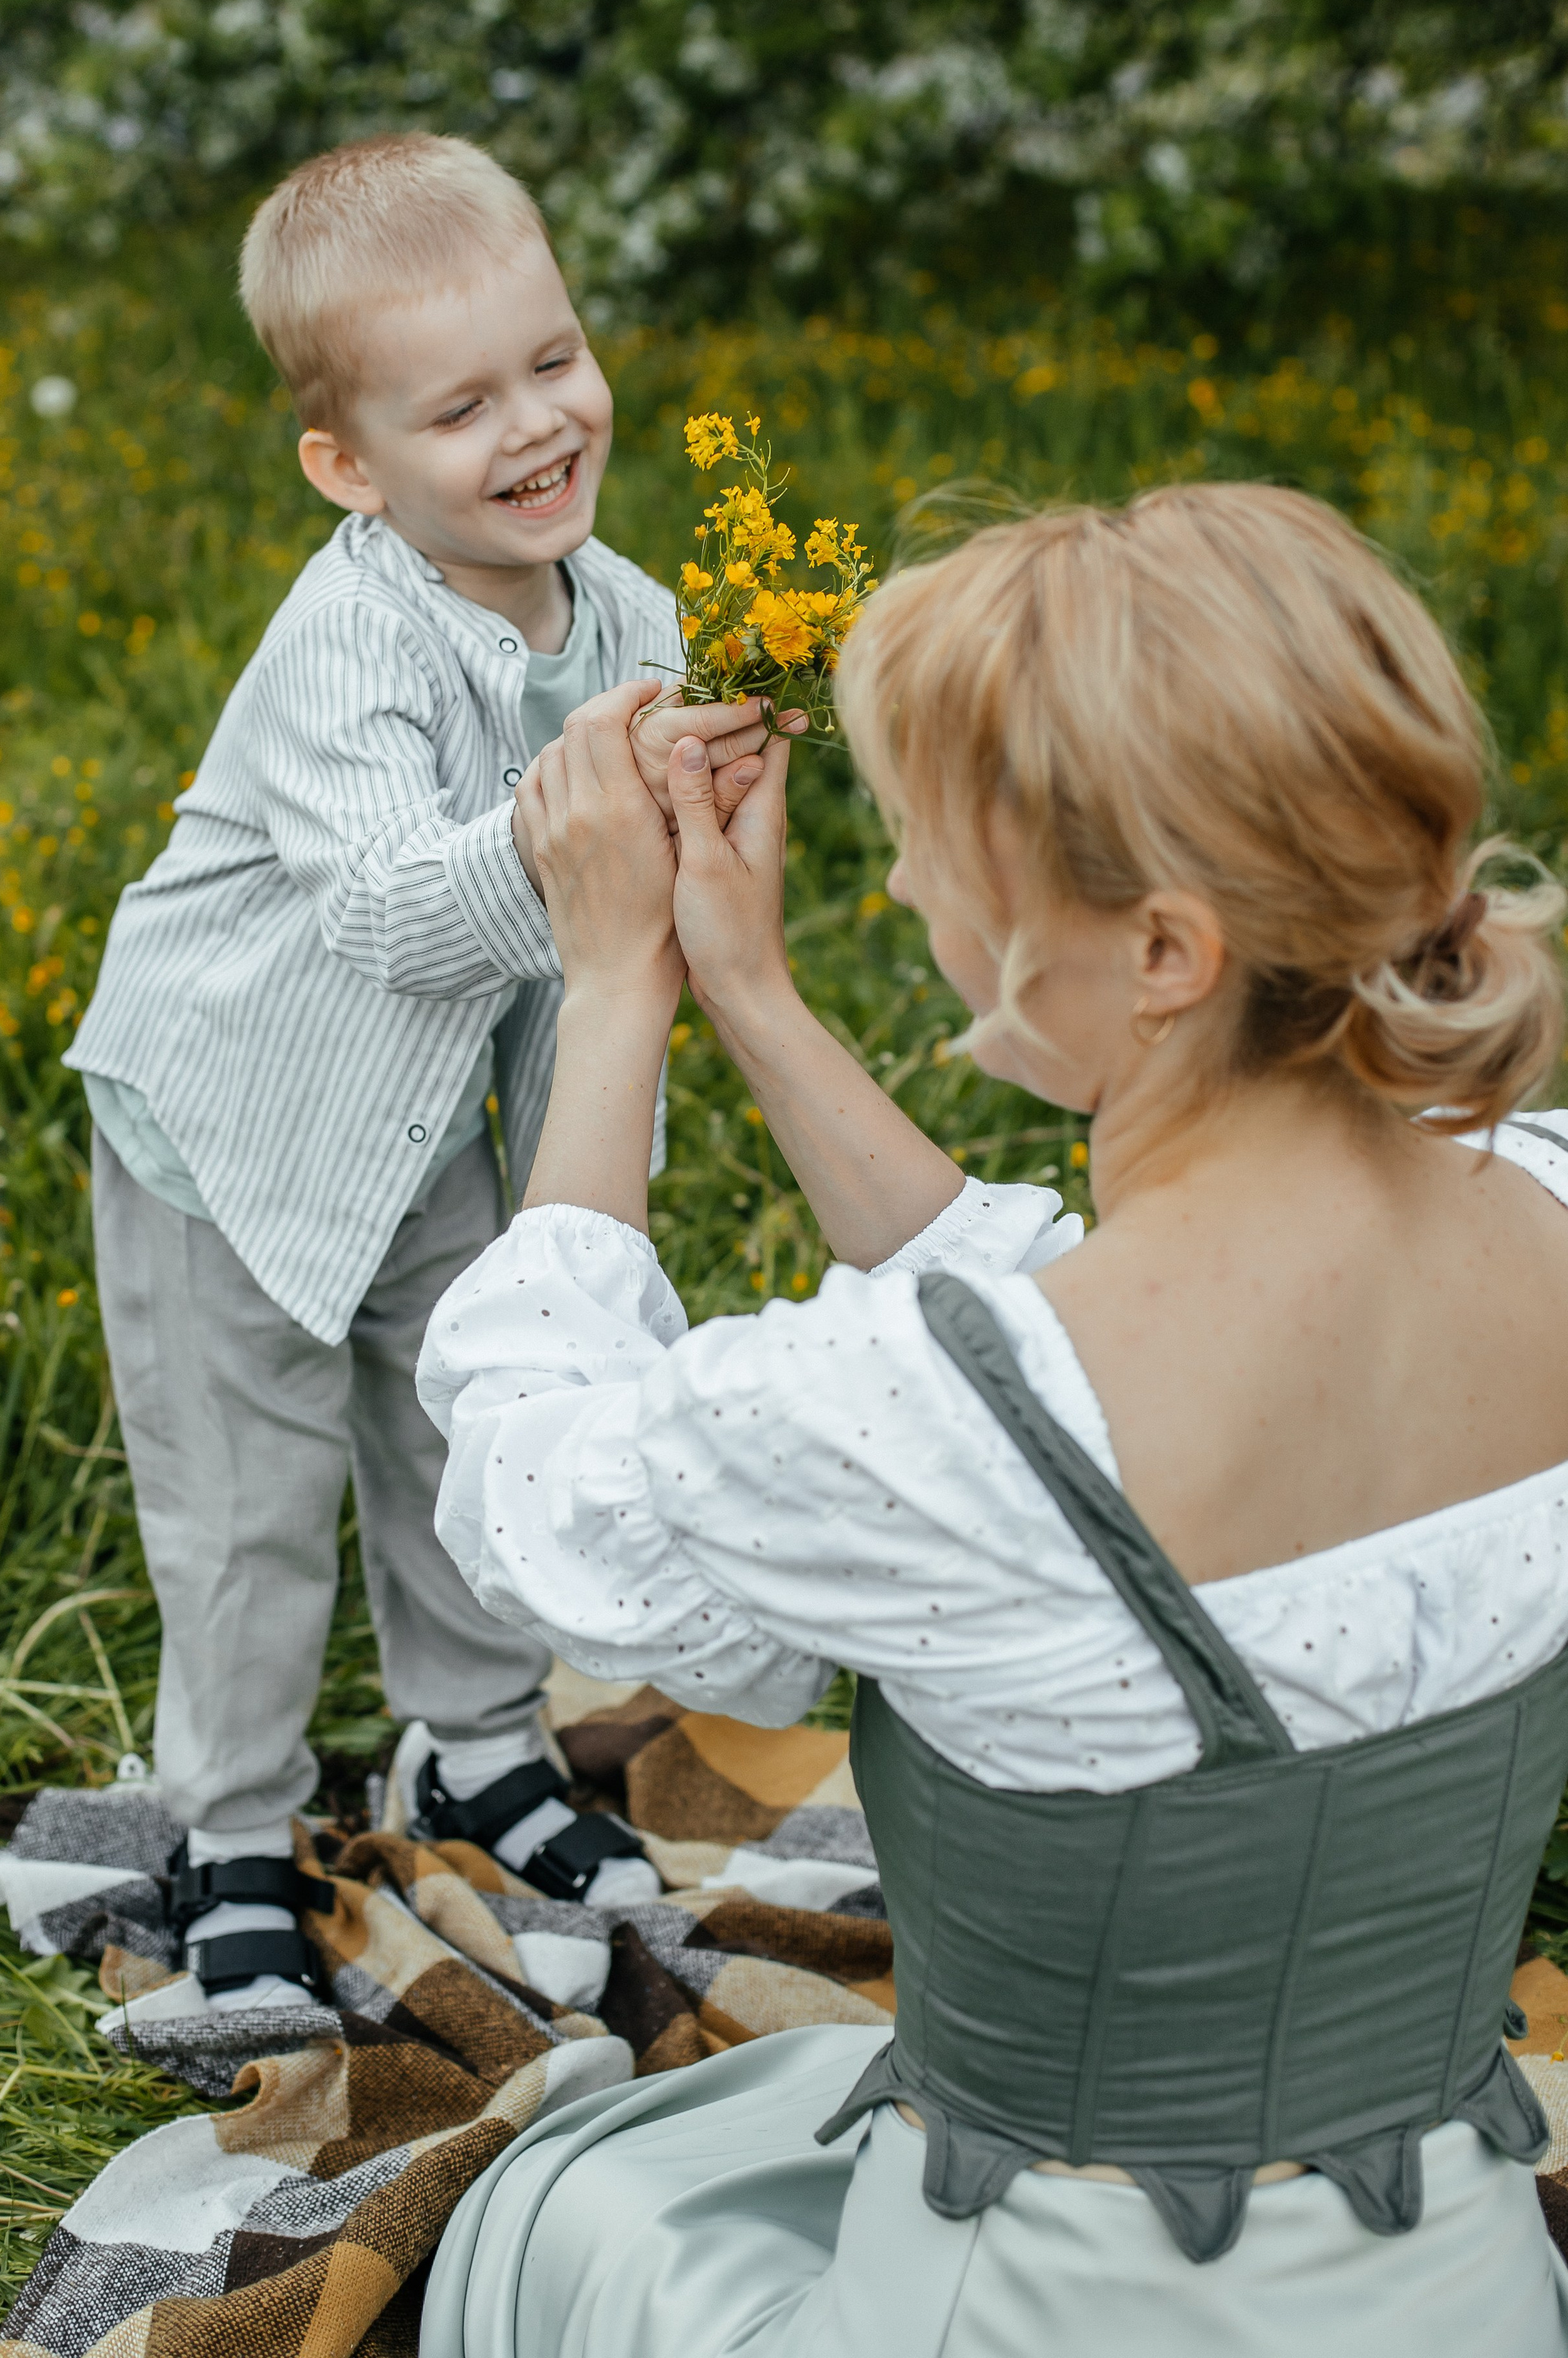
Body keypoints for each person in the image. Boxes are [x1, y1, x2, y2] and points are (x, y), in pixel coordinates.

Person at [414, 482, 1568, 2356]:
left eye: (948, 848)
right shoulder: (1539, 1200)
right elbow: (1066, 1308)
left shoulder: (934, 1429)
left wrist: (610, 987)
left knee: (575, 2210)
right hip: (1459, 2289)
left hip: (1038, 2313)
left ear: (1169, 954)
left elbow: (533, 1476)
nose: (899, 887)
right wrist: (756, 994)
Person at [65, 131, 772, 2002]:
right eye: (460, 407)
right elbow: (399, 915)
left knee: (466, 1423)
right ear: (348, 468)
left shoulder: (619, 621)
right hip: (227, 1127)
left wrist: (568, 1213)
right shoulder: (346, 648)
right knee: (247, 1507)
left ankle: (474, 1744)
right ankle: (226, 1821)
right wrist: (590, 823)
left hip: (415, 1116)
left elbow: (578, 968)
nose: (536, 425)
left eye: (553, 362)